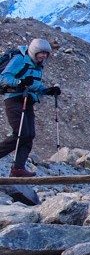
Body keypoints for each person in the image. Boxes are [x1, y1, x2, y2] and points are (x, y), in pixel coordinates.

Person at [0, 38, 61, 177]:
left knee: (29, 135)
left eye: (46, 54)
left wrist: (48, 90)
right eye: (42, 53)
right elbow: (3, 78)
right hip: (14, 99)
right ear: (34, 51)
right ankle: (17, 168)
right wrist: (19, 82)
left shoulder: (37, 66)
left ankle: (18, 169)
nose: (44, 56)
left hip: (27, 101)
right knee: (21, 134)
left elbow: (34, 85)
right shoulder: (19, 60)